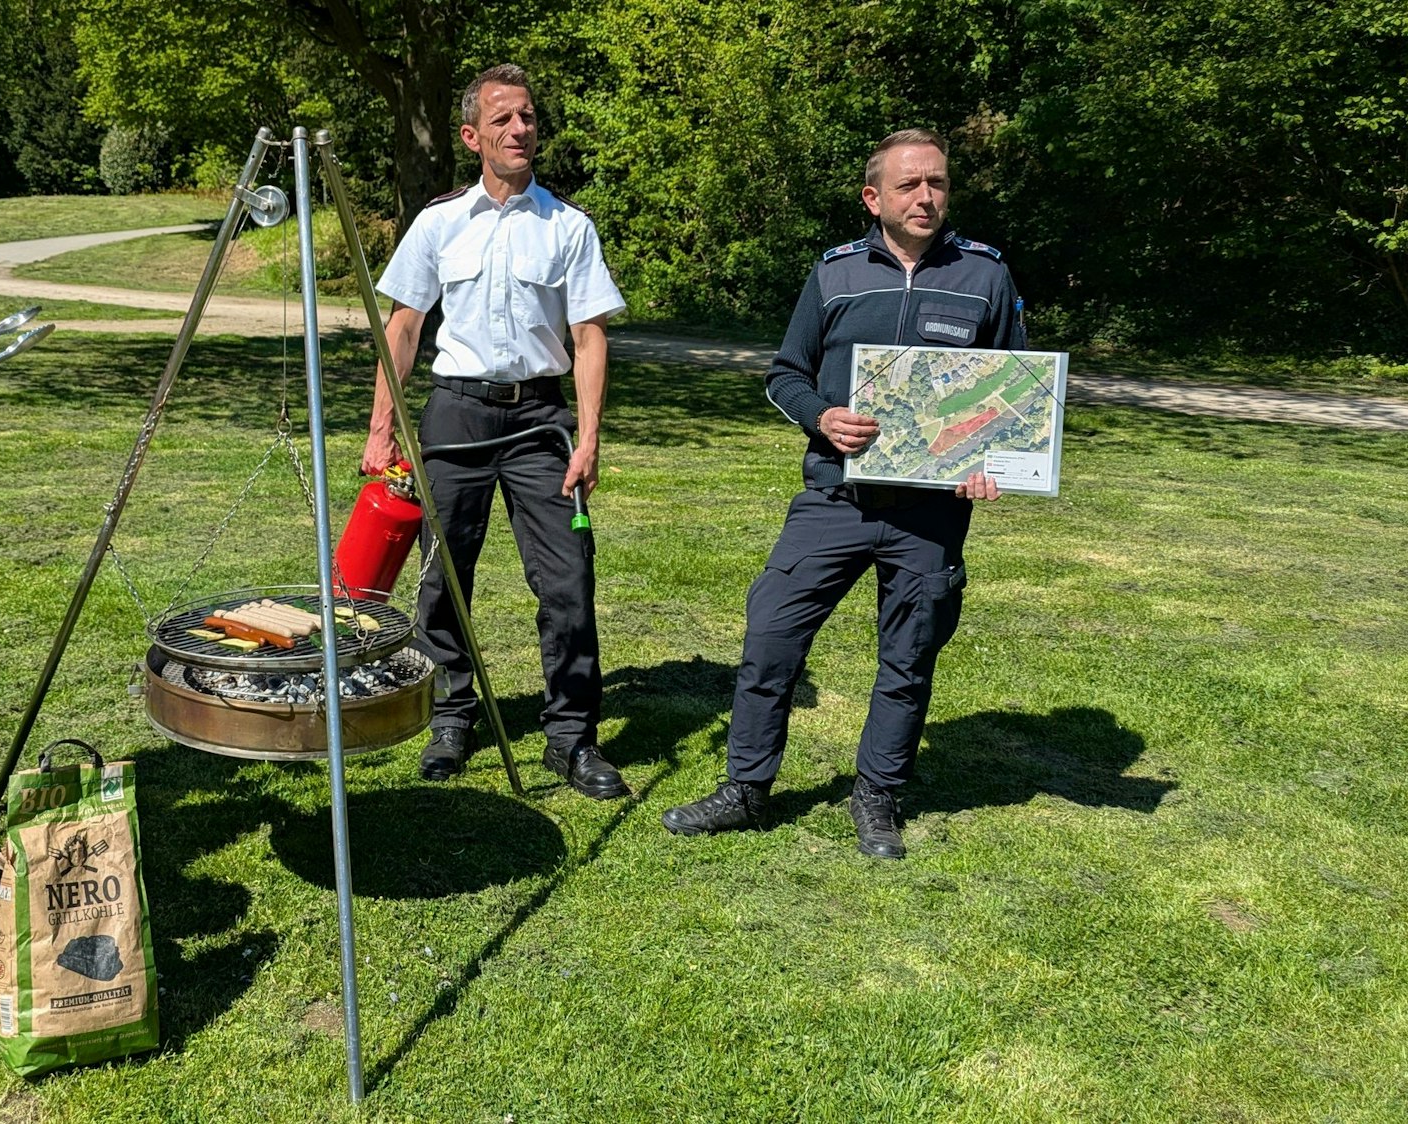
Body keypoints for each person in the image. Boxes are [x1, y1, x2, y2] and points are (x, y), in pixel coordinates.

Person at [662, 129, 1026, 858]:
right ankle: (745, 789)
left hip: (929, 512)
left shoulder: (984, 276)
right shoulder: (834, 274)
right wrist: (819, 416)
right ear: (873, 198)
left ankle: (877, 799)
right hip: (833, 500)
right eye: (908, 185)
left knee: (908, 655)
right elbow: (783, 374)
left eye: (937, 184)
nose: (925, 197)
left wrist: (994, 462)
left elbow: (1016, 394)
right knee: (770, 638)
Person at [361, 64, 630, 800]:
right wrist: (382, 428)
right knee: (442, 579)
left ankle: (571, 738)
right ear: (473, 136)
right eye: (504, 119)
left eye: (529, 118)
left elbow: (589, 336)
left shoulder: (568, 225)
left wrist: (588, 438)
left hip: (542, 420)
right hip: (456, 413)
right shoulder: (439, 221)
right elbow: (405, 326)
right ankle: (450, 716)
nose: (520, 130)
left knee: (568, 580)